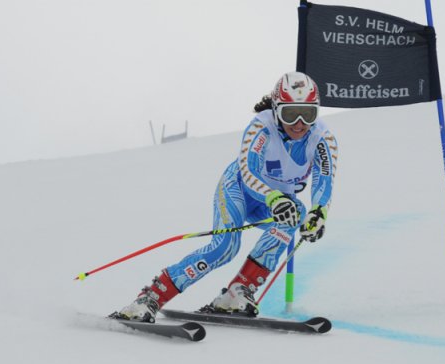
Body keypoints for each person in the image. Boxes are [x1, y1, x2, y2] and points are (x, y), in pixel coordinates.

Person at [114, 71, 338, 322]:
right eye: (290, 114)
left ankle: (237, 292)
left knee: (297, 213)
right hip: (239, 189)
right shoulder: (261, 127)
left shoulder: (322, 138)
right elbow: (249, 171)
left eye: (308, 114)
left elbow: (324, 180)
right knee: (225, 247)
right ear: (276, 110)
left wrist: (319, 212)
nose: (299, 123)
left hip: (275, 202)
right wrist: (274, 199)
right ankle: (150, 298)